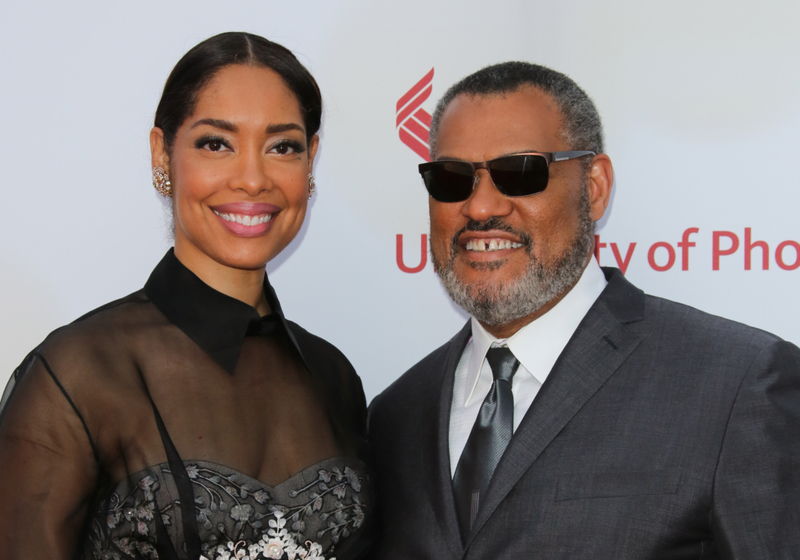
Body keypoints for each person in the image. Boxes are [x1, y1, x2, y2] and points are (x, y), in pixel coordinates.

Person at [368, 61, 800, 559]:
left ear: (593, 187)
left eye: (520, 172)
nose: (481, 206)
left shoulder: (734, 384)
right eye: (451, 178)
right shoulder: (395, 415)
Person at [0, 32, 375, 560]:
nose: (252, 179)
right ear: (163, 152)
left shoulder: (334, 377)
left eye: (282, 146)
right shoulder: (77, 376)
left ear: (311, 160)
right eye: (216, 143)